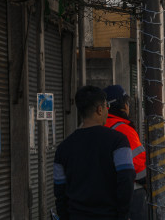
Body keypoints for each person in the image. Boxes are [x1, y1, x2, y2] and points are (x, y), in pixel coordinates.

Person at [54, 85, 134, 220]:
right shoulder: (118, 141)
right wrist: (122, 215)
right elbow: (126, 180)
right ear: (100, 109)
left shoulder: (63, 148)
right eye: (106, 107)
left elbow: (59, 191)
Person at [104, 85, 148, 220]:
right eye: (126, 102)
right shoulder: (125, 129)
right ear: (122, 106)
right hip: (131, 191)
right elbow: (138, 167)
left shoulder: (98, 126)